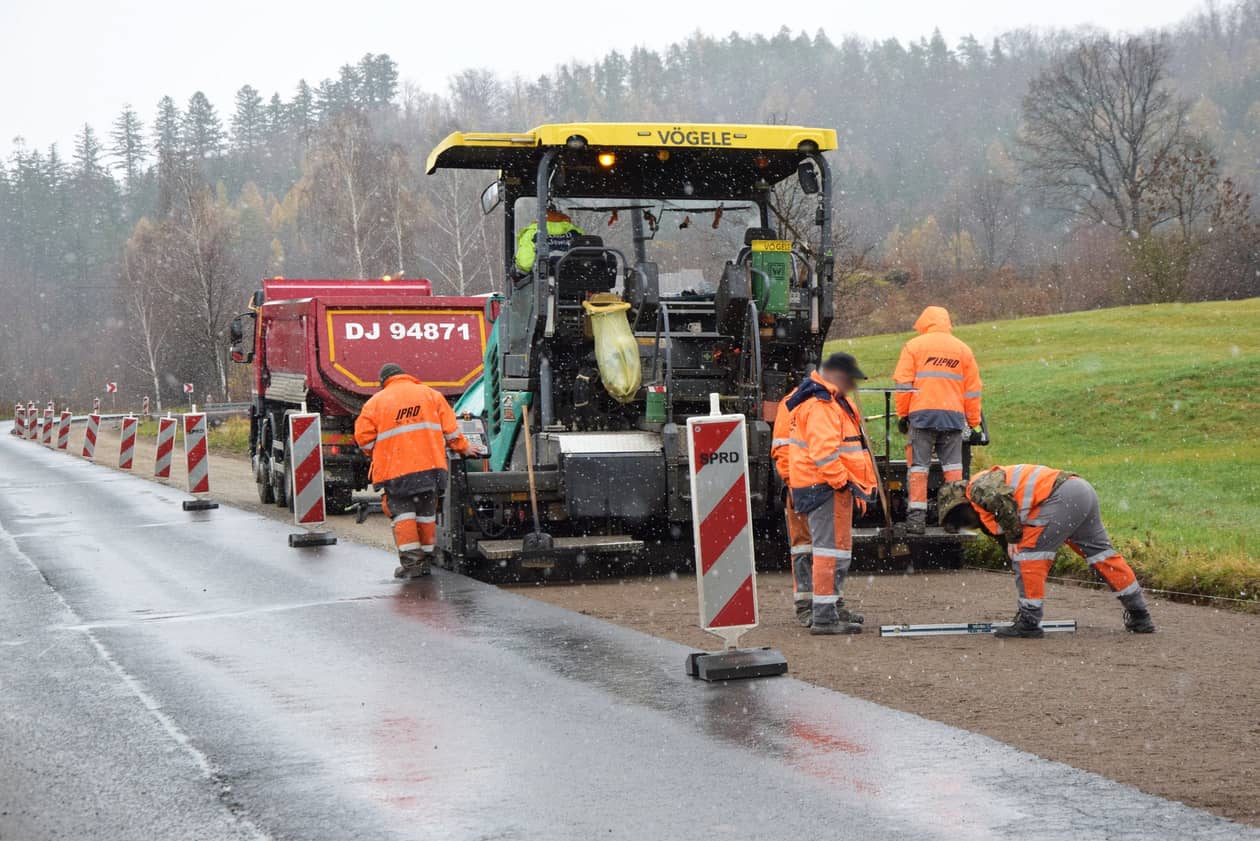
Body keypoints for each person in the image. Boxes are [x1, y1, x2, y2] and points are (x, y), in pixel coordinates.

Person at [937, 465, 1156, 638]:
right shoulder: (987, 485)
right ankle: (1140, 615)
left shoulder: (977, 487)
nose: (965, 525)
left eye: (960, 520)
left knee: (1029, 555)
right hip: (1081, 490)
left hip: (1060, 497)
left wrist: (1014, 539)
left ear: (961, 502)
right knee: (1103, 556)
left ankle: (1029, 623)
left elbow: (1002, 503)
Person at [354, 363, 485, 579]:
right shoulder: (431, 396)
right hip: (431, 469)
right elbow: (451, 431)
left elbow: (364, 441)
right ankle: (426, 561)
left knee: (403, 515)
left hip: (396, 472)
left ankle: (412, 564)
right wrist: (465, 448)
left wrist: (380, 452)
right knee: (426, 514)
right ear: (406, 376)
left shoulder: (375, 403)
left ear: (384, 382)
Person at [786, 353, 878, 635]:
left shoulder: (825, 402)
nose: (852, 386)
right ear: (837, 376)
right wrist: (842, 483)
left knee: (834, 551)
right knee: (829, 552)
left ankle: (829, 609)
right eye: (850, 380)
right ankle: (825, 616)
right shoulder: (822, 406)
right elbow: (825, 454)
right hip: (826, 487)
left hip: (824, 486)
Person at [893, 306, 982, 535]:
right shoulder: (963, 350)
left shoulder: (914, 347)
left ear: (924, 323)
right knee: (953, 470)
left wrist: (903, 415)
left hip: (922, 417)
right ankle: (953, 520)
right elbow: (972, 391)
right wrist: (972, 422)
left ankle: (916, 520)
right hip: (953, 418)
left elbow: (904, 385)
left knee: (919, 469)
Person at [770, 381, 814, 627]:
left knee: (814, 549)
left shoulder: (795, 402)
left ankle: (821, 605)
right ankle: (810, 605)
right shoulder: (804, 403)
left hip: (818, 485)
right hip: (808, 486)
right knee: (807, 548)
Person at [514, 206, 584, 273]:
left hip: (542, 281)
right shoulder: (577, 233)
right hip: (575, 278)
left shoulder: (532, 233)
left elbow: (525, 263)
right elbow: (585, 260)